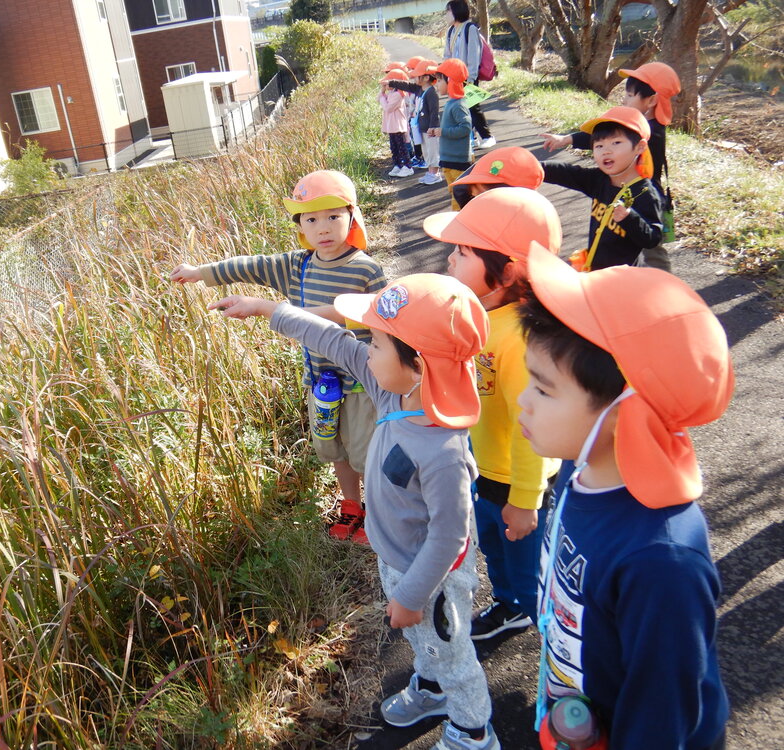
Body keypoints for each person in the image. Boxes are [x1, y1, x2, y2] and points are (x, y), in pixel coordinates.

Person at [209, 274, 499, 750]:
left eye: (378, 344)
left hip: (432, 578)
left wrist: (409, 595)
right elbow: (335, 340)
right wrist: (267, 309)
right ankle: (430, 688)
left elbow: (450, 536)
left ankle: (473, 729)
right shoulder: (392, 391)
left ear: (419, 365)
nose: (366, 352)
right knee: (429, 646)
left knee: (454, 654)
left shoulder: (443, 450)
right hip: (400, 559)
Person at [518, 244, 732, 750]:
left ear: (624, 415)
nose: (522, 401)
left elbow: (663, 711)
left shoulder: (661, 562)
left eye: (544, 390)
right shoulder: (581, 464)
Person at [170, 170, 386, 542]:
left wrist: (283, 311)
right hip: (320, 381)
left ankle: (380, 517)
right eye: (311, 218)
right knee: (333, 448)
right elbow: (248, 265)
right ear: (300, 225)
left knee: (366, 452)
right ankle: (351, 507)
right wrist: (200, 272)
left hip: (362, 382)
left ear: (352, 216)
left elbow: (381, 312)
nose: (323, 227)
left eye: (333, 216)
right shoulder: (297, 266)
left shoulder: (365, 269)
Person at [424, 188, 562, 641]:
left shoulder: (518, 339)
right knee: (493, 546)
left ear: (503, 273)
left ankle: (534, 615)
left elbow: (534, 429)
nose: (449, 261)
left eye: (462, 253)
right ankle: (508, 600)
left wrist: (526, 499)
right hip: (484, 467)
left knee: (522, 552)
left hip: (517, 479)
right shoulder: (480, 312)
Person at [540, 62, 682, 271]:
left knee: (652, 252)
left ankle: (661, 286)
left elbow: (607, 138)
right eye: (600, 146)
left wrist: (568, 140)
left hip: (639, 198)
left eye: (630, 95)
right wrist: (567, 140)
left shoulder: (650, 133)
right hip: (621, 192)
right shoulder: (605, 174)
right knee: (619, 241)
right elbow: (599, 139)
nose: (624, 100)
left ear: (651, 100)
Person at [540, 106, 662, 271]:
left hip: (622, 279)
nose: (606, 151)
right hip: (594, 269)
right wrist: (535, 167)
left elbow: (652, 238)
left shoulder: (644, 193)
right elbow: (567, 173)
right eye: (599, 146)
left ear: (640, 147)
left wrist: (629, 218)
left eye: (616, 143)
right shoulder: (600, 179)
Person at [443, 0, 495, 150]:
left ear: (456, 11)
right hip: (454, 77)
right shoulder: (451, 31)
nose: (446, 15)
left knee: (472, 107)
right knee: (461, 108)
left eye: (448, 11)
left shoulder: (470, 28)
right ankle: (473, 138)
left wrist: (471, 78)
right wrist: (446, 74)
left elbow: (474, 55)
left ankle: (487, 136)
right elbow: (447, 54)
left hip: (468, 76)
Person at [389, 59, 442, 184]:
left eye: (417, 76)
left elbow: (434, 111)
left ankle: (435, 174)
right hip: (421, 127)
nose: (415, 79)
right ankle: (430, 172)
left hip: (430, 129)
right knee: (426, 152)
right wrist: (392, 82)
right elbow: (407, 86)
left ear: (426, 77)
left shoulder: (431, 93)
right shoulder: (419, 89)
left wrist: (433, 126)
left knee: (433, 151)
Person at [451, 146, 545, 208]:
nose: (475, 195)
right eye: (473, 195)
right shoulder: (463, 190)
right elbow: (460, 188)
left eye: (480, 194)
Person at [434, 58, 472, 209]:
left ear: (449, 80)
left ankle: (459, 223)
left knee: (459, 196)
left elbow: (465, 128)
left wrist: (443, 132)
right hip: (448, 159)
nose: (436, 84)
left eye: (438, 81)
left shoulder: (458, 105)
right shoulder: (451, 103)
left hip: (458, 161)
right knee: (454, 192)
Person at [380, 69, 413, 178]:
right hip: (391, 126)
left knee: (401, 147)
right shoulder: (392, 93)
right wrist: (382, 92)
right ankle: (397, 164)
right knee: (394, 147)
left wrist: (382, 98)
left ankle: (407, 166)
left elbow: (388, 108)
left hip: (397, 125)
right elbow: (379, 99)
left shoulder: (398, 94)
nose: (386, 85)